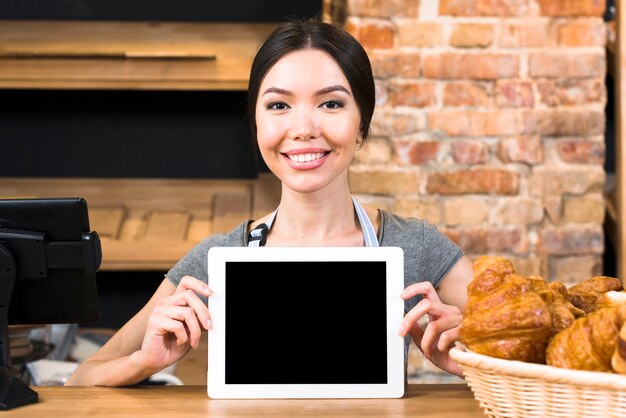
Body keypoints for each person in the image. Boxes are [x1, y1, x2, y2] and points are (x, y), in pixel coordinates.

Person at [66, 18, 473, 386]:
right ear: (257, 122)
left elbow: (533, 356)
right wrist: (144, 361)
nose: (303, 129)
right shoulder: (219, 258)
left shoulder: (414, 246)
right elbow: (84, 377)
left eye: (331, 103)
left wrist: (470, 356)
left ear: (362, 124)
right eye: (279, 105)